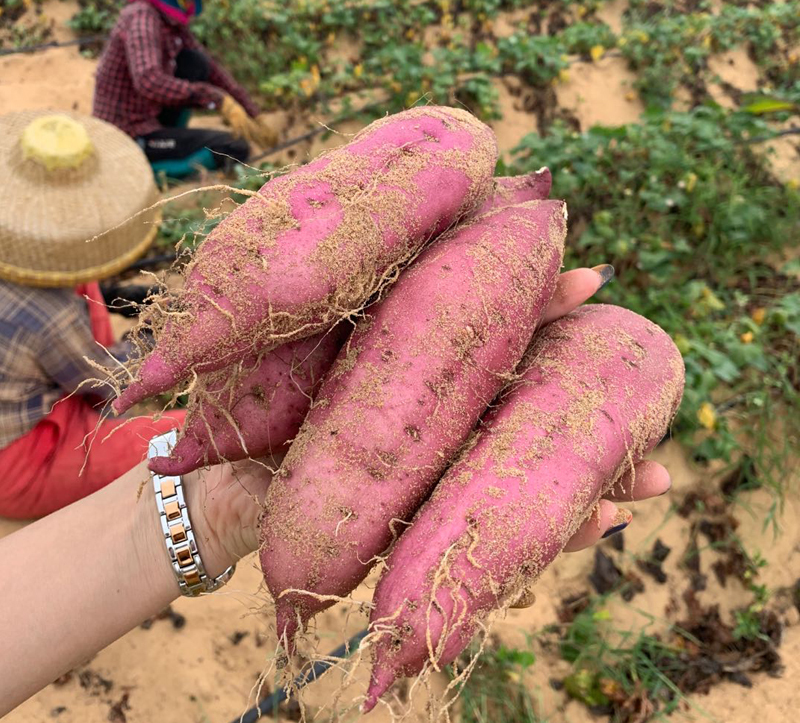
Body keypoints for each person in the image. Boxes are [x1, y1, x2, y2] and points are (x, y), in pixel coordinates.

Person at [0, 260, 673, 715]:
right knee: (169, 432)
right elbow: (98, 382)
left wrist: (209, 507)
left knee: (180, 435)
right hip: (28, 450)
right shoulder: (48, 313)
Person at [0, 109, 185, 519]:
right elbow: (108, 381)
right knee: (183, 435)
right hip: (19, 458)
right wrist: (161, 339)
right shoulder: (52, 315)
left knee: (88, 288)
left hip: (26, 392)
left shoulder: (35, 284)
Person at [92, 0, 277, 179]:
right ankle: (149, 174)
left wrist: (251, 112)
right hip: (128, 132)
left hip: (152, 119)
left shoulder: (171, 21)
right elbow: (149, 81)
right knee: (232, 148)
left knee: (195, 62)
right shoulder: (142, 17)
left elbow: (212, 71)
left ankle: (167, 145)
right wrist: (215, 99)